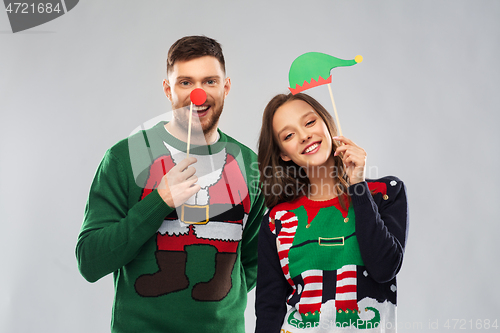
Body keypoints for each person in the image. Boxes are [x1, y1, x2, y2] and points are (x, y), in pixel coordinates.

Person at [76, 36, 265, 333]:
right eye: (186, 83)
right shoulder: (125, 157)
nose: (198, 95)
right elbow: (91, 262)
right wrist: (159, 201)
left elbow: (254, 261)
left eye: (210, 82)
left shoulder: (249, 165)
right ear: (168, 89)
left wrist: (220, 292)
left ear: (226, 87)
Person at [255, 93, 409, 332]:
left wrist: (357, 186)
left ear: (327, 124)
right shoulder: (277, 221)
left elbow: (384, 268)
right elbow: (269, 310)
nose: (305, 135)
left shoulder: (384, 193)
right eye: (289, 135)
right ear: (283, 154)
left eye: (309, 122)